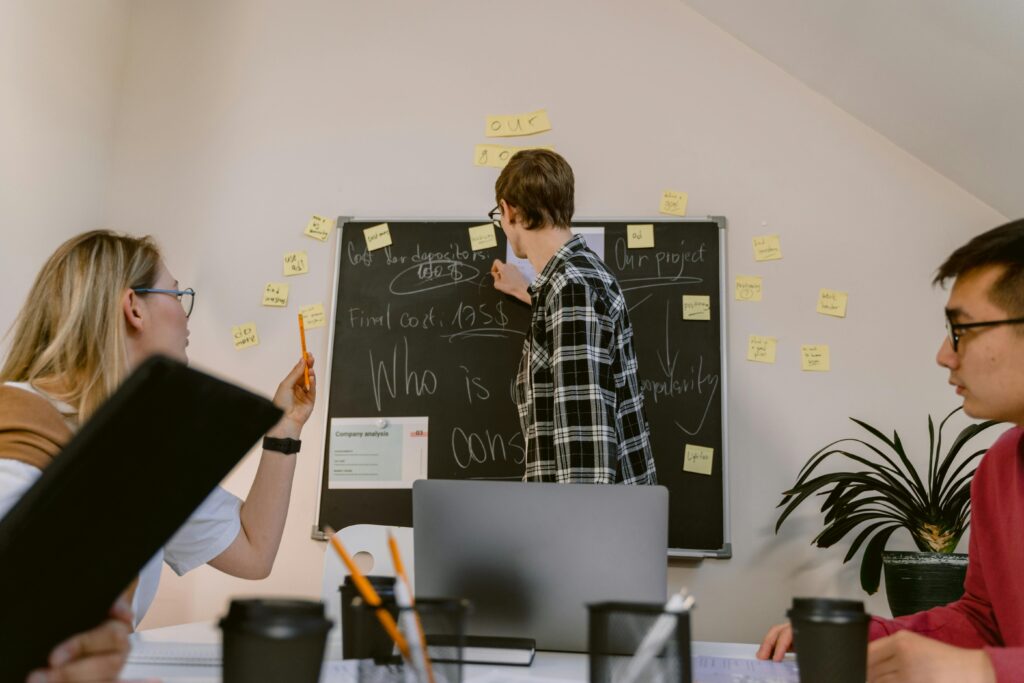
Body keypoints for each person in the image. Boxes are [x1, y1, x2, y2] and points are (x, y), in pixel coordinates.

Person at [0, 230, 316, 683]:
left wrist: (286, 427)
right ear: (134, 307)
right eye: (178, 294)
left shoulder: (144, 445)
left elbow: (253, 552)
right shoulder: (16, 424)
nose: (186, 320)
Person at [758, 217, 1024, 682]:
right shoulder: (1000, 466)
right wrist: (873, 638)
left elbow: (987, 655)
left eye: (961, 330)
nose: (944, 354)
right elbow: (984, 619)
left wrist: (985, 670)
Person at [489, 149, 656, 485]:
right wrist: (528, 291)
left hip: (585, 524)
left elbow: (584, 439)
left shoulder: (572, 289)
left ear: (510, 210)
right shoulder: (576, 278)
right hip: (595, 518)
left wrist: (574, 532)